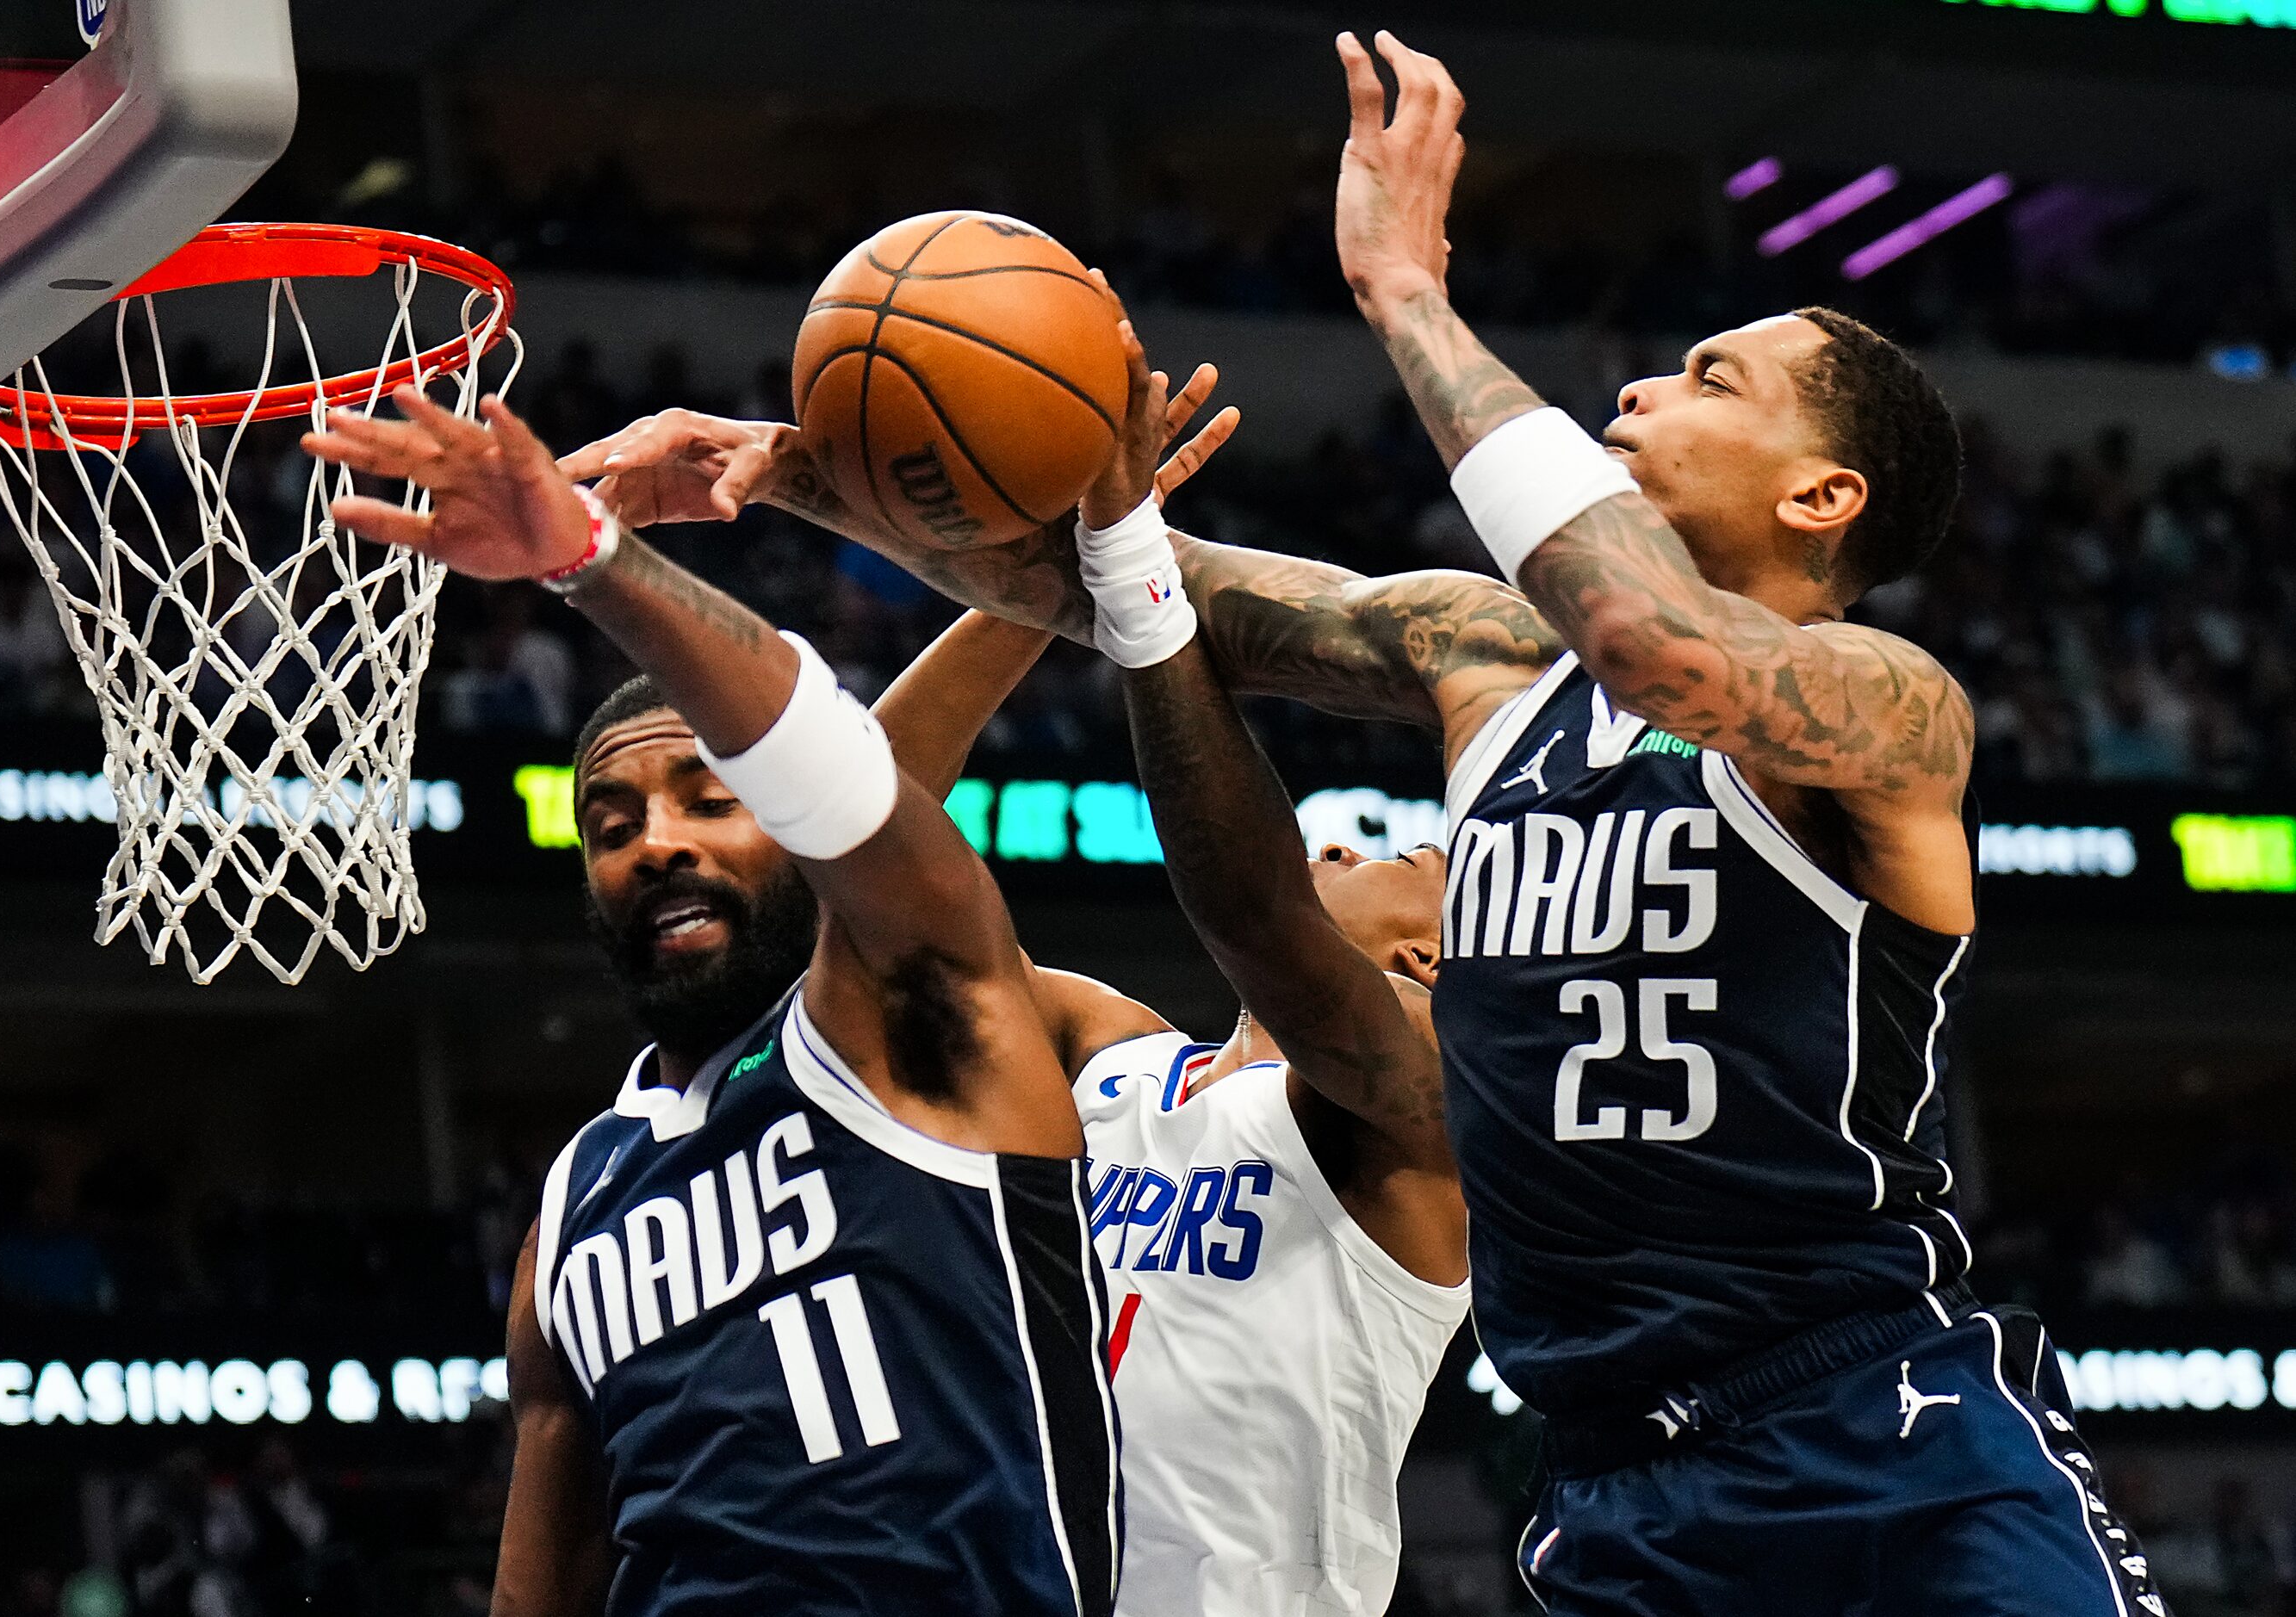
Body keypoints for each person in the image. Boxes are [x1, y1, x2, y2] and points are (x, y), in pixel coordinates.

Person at [559, 35, 2166, 1616]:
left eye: (1709, 378)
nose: (1640, 382)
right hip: (1605, 1482)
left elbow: (1659, 648)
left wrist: (1408, 290)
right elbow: (1123, 593)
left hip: (1878, 1430)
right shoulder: (1480, 655)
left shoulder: (1886, 709)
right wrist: (789, 475)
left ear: (1821, 498)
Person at [300, 388, 1126, 1617]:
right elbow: (550, 1581)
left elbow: (854, 790)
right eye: (612, 824)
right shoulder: (575, 1209)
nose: (655, 845)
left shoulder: (916, 1018)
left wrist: (598, 562)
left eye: (708, 796)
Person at [863, 329, 1468, 1616]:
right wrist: (1034, 582)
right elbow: (868, 856)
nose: (1354, 837)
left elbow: (1256, 914)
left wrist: (1128, 567)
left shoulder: (1419, 1110)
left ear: (1424, 955)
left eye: (1407, 851)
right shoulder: (1115, 1059)